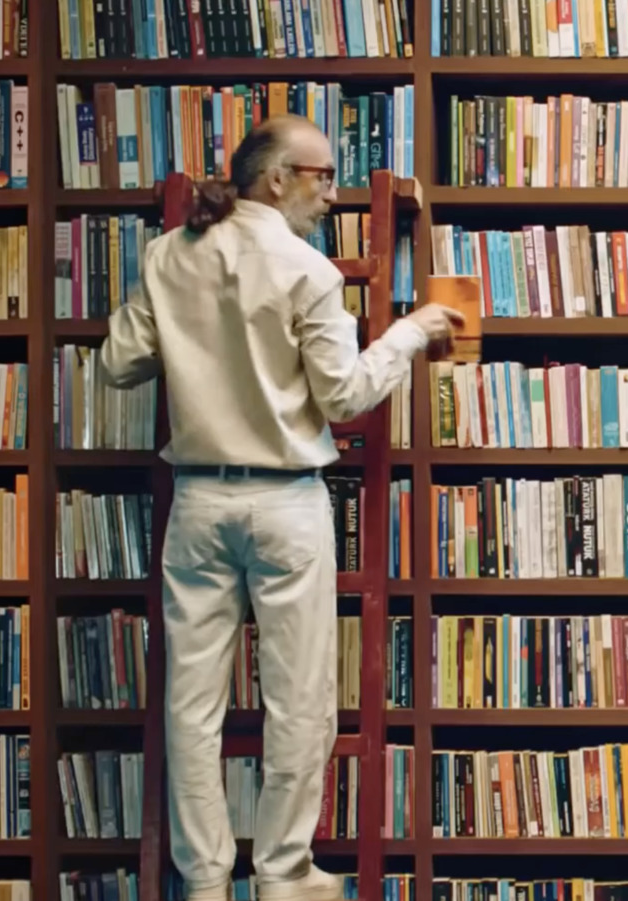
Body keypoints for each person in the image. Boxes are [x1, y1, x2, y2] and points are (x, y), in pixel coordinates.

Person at [97, 115, 463, 901]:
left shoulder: (168, 256)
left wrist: (199, 343)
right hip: (285, 500)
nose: (331, 195)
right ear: (275, 179)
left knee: (191, 705)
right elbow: (344, 397)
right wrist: (408, 333)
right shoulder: (308, 269)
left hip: (198, 497)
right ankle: (281, 873)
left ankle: (201, 881)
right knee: (298, 697)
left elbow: (119, 364)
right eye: (320, 176)